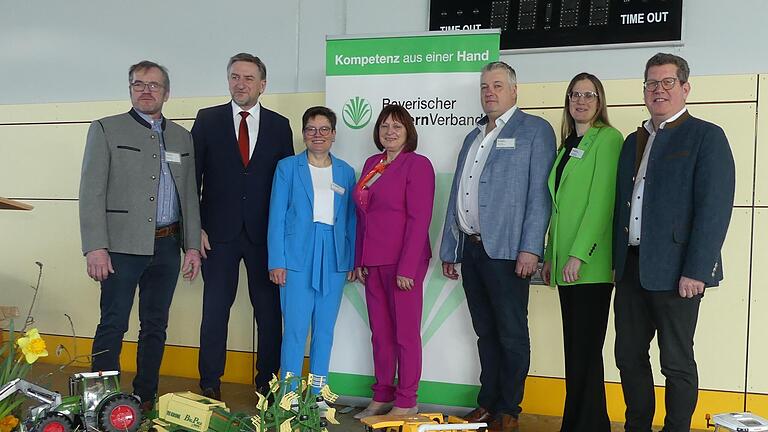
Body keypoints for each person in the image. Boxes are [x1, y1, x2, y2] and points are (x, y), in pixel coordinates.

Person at [613, 53, 735, 432]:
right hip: (632, 268)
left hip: (678, 273)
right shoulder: (633, 140)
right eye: (651, 83)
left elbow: (714, 208)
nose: (658, 90)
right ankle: (637, 427)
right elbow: (622, 205)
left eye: (668, 82)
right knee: (628, 357)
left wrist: (697, 270)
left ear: (685, 88)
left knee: (676, 361)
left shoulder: (705, 136)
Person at [440, 61, 556, 432]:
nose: (490, 92)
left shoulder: (535, 131)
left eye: (497, 85)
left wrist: (531, 248)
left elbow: (541, 195)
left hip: (509, 251)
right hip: (472, 249)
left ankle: (509, 407)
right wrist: (450, 247)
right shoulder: (473, 135)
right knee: (485, 332)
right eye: (485, 86)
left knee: (510, 333)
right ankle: (487, 403)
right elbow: (458, 192)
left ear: (514, 90)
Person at [79, 60, 201, 410]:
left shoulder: (182, 137)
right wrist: (95, 247)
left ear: (167, 92)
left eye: (154, 85)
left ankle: (144, 397)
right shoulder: (105, 129)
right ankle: (100, 401)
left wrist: (191, 246)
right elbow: (91, 193)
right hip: (120, 248)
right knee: (113, 322)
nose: (146, 90)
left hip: (166, 246)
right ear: (130, 88)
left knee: (155, 326)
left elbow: (189, 196)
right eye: (139, 84)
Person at [192, 53, 294, 399]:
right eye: (235, 76)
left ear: (262, 85)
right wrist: (196, 229)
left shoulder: (280, 126)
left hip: (264, 237)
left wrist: (282, 238)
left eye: (248, 78)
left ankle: (267, 382)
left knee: (268, 314)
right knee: (215, 310)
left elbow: (287, 186)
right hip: (216, 235)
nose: (241, 83)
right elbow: (191, 181)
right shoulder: (207, 120)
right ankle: (209, 383)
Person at [540, 73, 623, 432]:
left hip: (589, 265)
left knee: (586, 353)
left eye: (589, 94)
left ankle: (590, 426)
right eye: (575, 94)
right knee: (574, 352)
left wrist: (578, 254)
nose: (582, 101)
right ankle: (576, 423)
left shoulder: (608, 139)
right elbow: (557, 207)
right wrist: (550, 254)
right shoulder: (567, 144)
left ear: (600, 101)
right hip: (564, 265)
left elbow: (601, 202)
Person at [267, 106, 356, 404]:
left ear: (333, 134)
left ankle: (318, 395)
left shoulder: (345, 171)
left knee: (324, 332)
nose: (317, 135)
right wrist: (276, 261)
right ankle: (289, 395)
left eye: (324, 129)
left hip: (333, 257)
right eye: (311, 129)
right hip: (296, 257)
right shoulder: (287, 168)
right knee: (294, 329)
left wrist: (351, 259)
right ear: (303, 134)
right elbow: (277, 216)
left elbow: (351, 220)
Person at [352, 104, 435, 418]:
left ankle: (406, 400)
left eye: (397, 126)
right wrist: (360, 257)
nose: (390, 131)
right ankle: (382, 395)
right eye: (385, 125)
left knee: (404, 334)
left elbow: (419, 219)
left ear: (408, 132)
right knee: (381, 334)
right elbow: (363, 216)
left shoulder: (418, 165)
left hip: (404, 263)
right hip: (373, 261)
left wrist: (407, 267)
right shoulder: (373, 163)